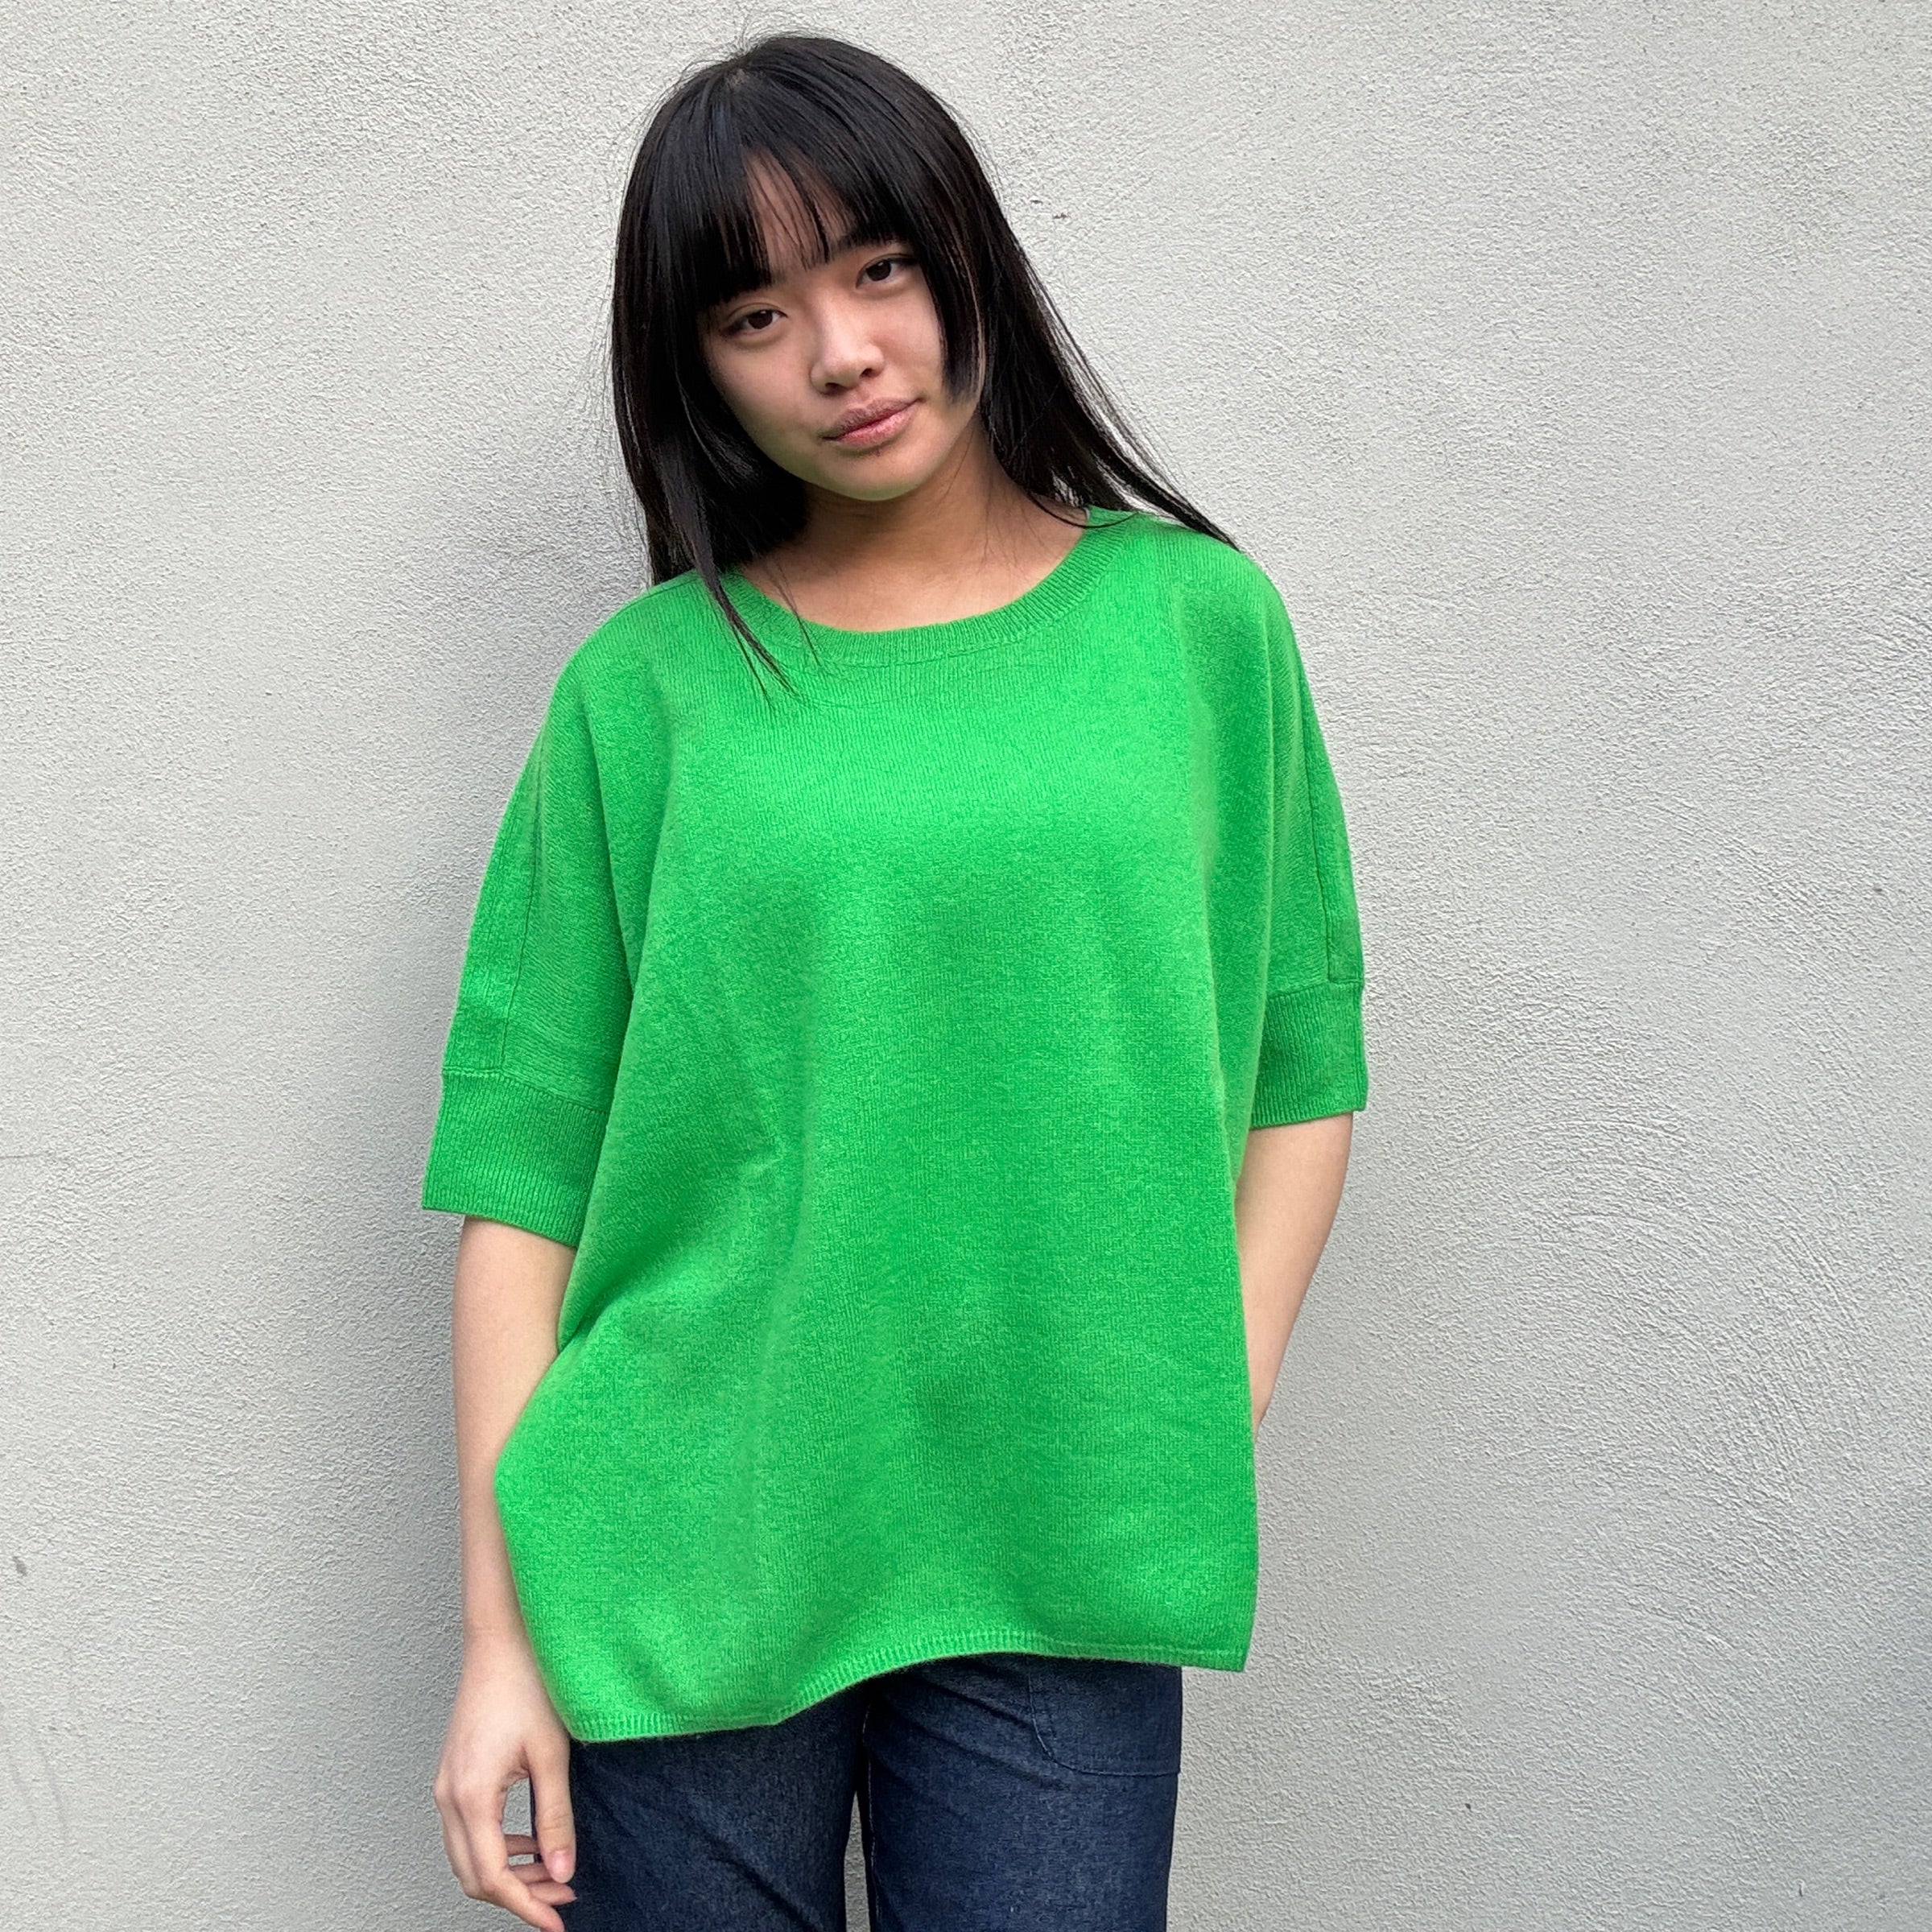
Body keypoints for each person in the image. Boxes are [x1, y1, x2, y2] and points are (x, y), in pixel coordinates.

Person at [422, 31, 1369, 1932]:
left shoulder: (1198, 626)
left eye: (877, 271)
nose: (840, 354)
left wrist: (1194, 1398)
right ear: (694, 366)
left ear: (967, 263)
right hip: (685, 1548)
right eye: (754, 316)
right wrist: (502, 1642)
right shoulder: (646, 693)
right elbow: (523, 1195)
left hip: (1063, 1549)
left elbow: (1299, 1066)